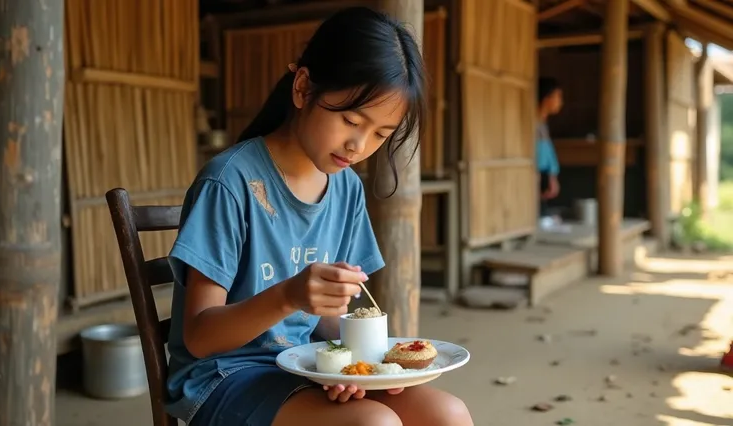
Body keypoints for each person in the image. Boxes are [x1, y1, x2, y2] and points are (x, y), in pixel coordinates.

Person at [164, 6, 473, 426]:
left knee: (448, 414)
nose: (358, 146)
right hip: (222, 377)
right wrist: (288, 296)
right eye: (350, 119)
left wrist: (362, 365)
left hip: (304, 366)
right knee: (375, 424)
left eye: (381, 134)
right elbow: (200, 338)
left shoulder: (345, 188)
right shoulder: (231, 182)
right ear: (304, 87)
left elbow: (326, 321)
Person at [536, 77, 563, 218]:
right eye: (558, 96)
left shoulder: (542, 122)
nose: (560, 102)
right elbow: (541, 153)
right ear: (546, 98)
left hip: (544, 174)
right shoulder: (534, 122)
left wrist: (552, 175)